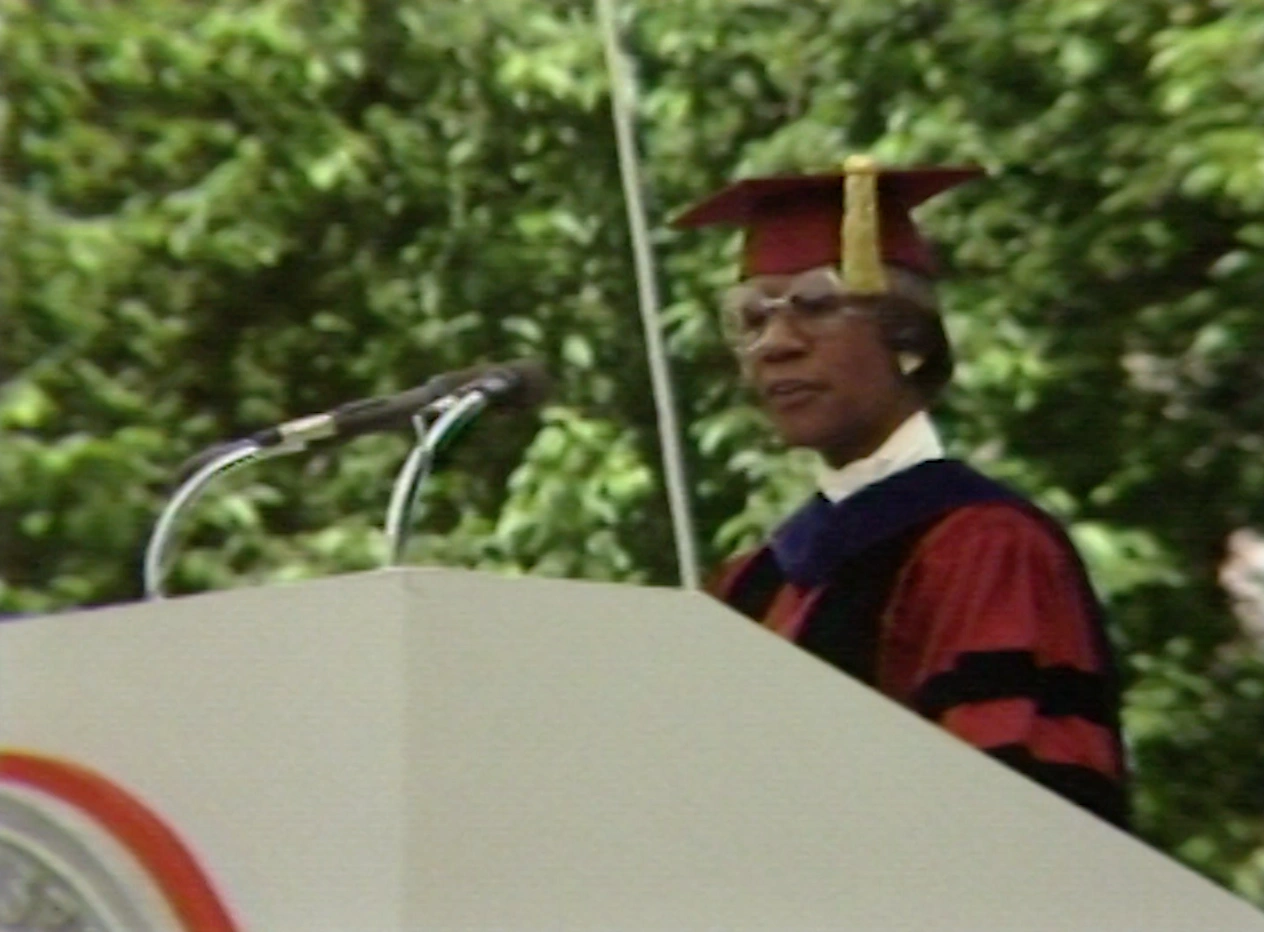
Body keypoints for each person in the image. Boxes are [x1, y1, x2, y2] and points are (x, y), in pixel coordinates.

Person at [674, 157, 1130, 828]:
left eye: (816, 304)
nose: (774, 345)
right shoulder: (749, 582)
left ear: (910, 337)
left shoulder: (986, 547)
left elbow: (1022, 807)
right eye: (751, 318)